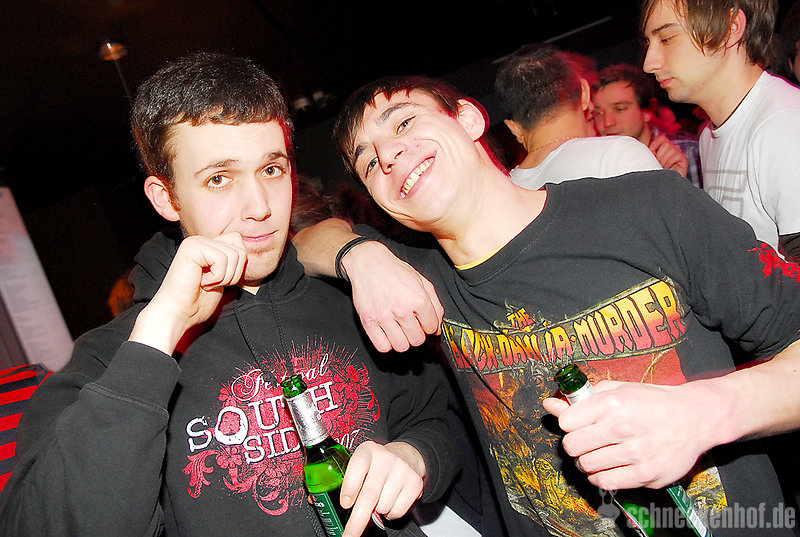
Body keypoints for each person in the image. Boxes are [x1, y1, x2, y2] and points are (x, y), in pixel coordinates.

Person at [293, 74, 800, 536]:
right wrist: (360, 258)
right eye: (368, 161)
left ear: (468, 119)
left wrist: (705, 413)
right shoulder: (420, 278)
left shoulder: (648, 208)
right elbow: (302, 242)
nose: (388, 155)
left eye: (404, 122)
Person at [0, 53, 458, 537]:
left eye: (272, 170)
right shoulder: (110, 361)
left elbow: (439, 420)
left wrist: (415, 457)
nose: (259, 207)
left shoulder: (351, 300)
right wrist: (156, 337)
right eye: (219, 179)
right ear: (165, 197)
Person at [641, 0, 800, 262]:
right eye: (649, 43)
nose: (649, 64)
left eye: (667, 39)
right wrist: (678, 193)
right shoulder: (708, 134)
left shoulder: (782, 127)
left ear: (731, 28)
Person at [494, 43, 661, 191]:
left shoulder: (504, 193)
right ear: (585, 93)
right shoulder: (617, 155)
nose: (608, 122)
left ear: (513, 128)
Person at [592, 63, 703, 188]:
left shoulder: (687, 153)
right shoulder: (598, 163)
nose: (607, 122)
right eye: (598, 113)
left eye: (619, 109)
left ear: (647, 112)